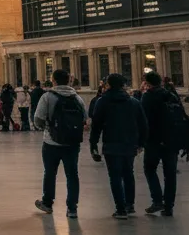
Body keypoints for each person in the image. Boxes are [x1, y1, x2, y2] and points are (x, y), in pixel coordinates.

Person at [89, 73, 146, 219]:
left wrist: (93, 144)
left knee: (115, 176)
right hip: (129, 143)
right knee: (128, 173)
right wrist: (141, 143)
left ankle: (120, 209)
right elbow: (143, 124)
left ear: (108, 85)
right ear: (123, 85)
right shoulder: (133, 102)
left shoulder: (102, 102)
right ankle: (130, 205)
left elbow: (96, 125)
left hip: (111, 143)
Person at [32, 68, 87, 218]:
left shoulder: (48, 96)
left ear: (53, 80)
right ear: (69, 80)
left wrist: (47, 129)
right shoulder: (77, 98)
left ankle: (48, 203)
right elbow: (84, 118)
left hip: (51, 143)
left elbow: (38, 119)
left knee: (50, 173)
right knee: (72, 174)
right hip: (72, 143)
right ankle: (72, 208)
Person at [141, 71, 180, 217]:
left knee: (150, 169)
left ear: (148, 83)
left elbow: (143, 119)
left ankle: (157, 200)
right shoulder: (171, 96)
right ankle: (169, 206)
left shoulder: (147, 97)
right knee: (170, 174)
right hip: (171, 140)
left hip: (153, 140)